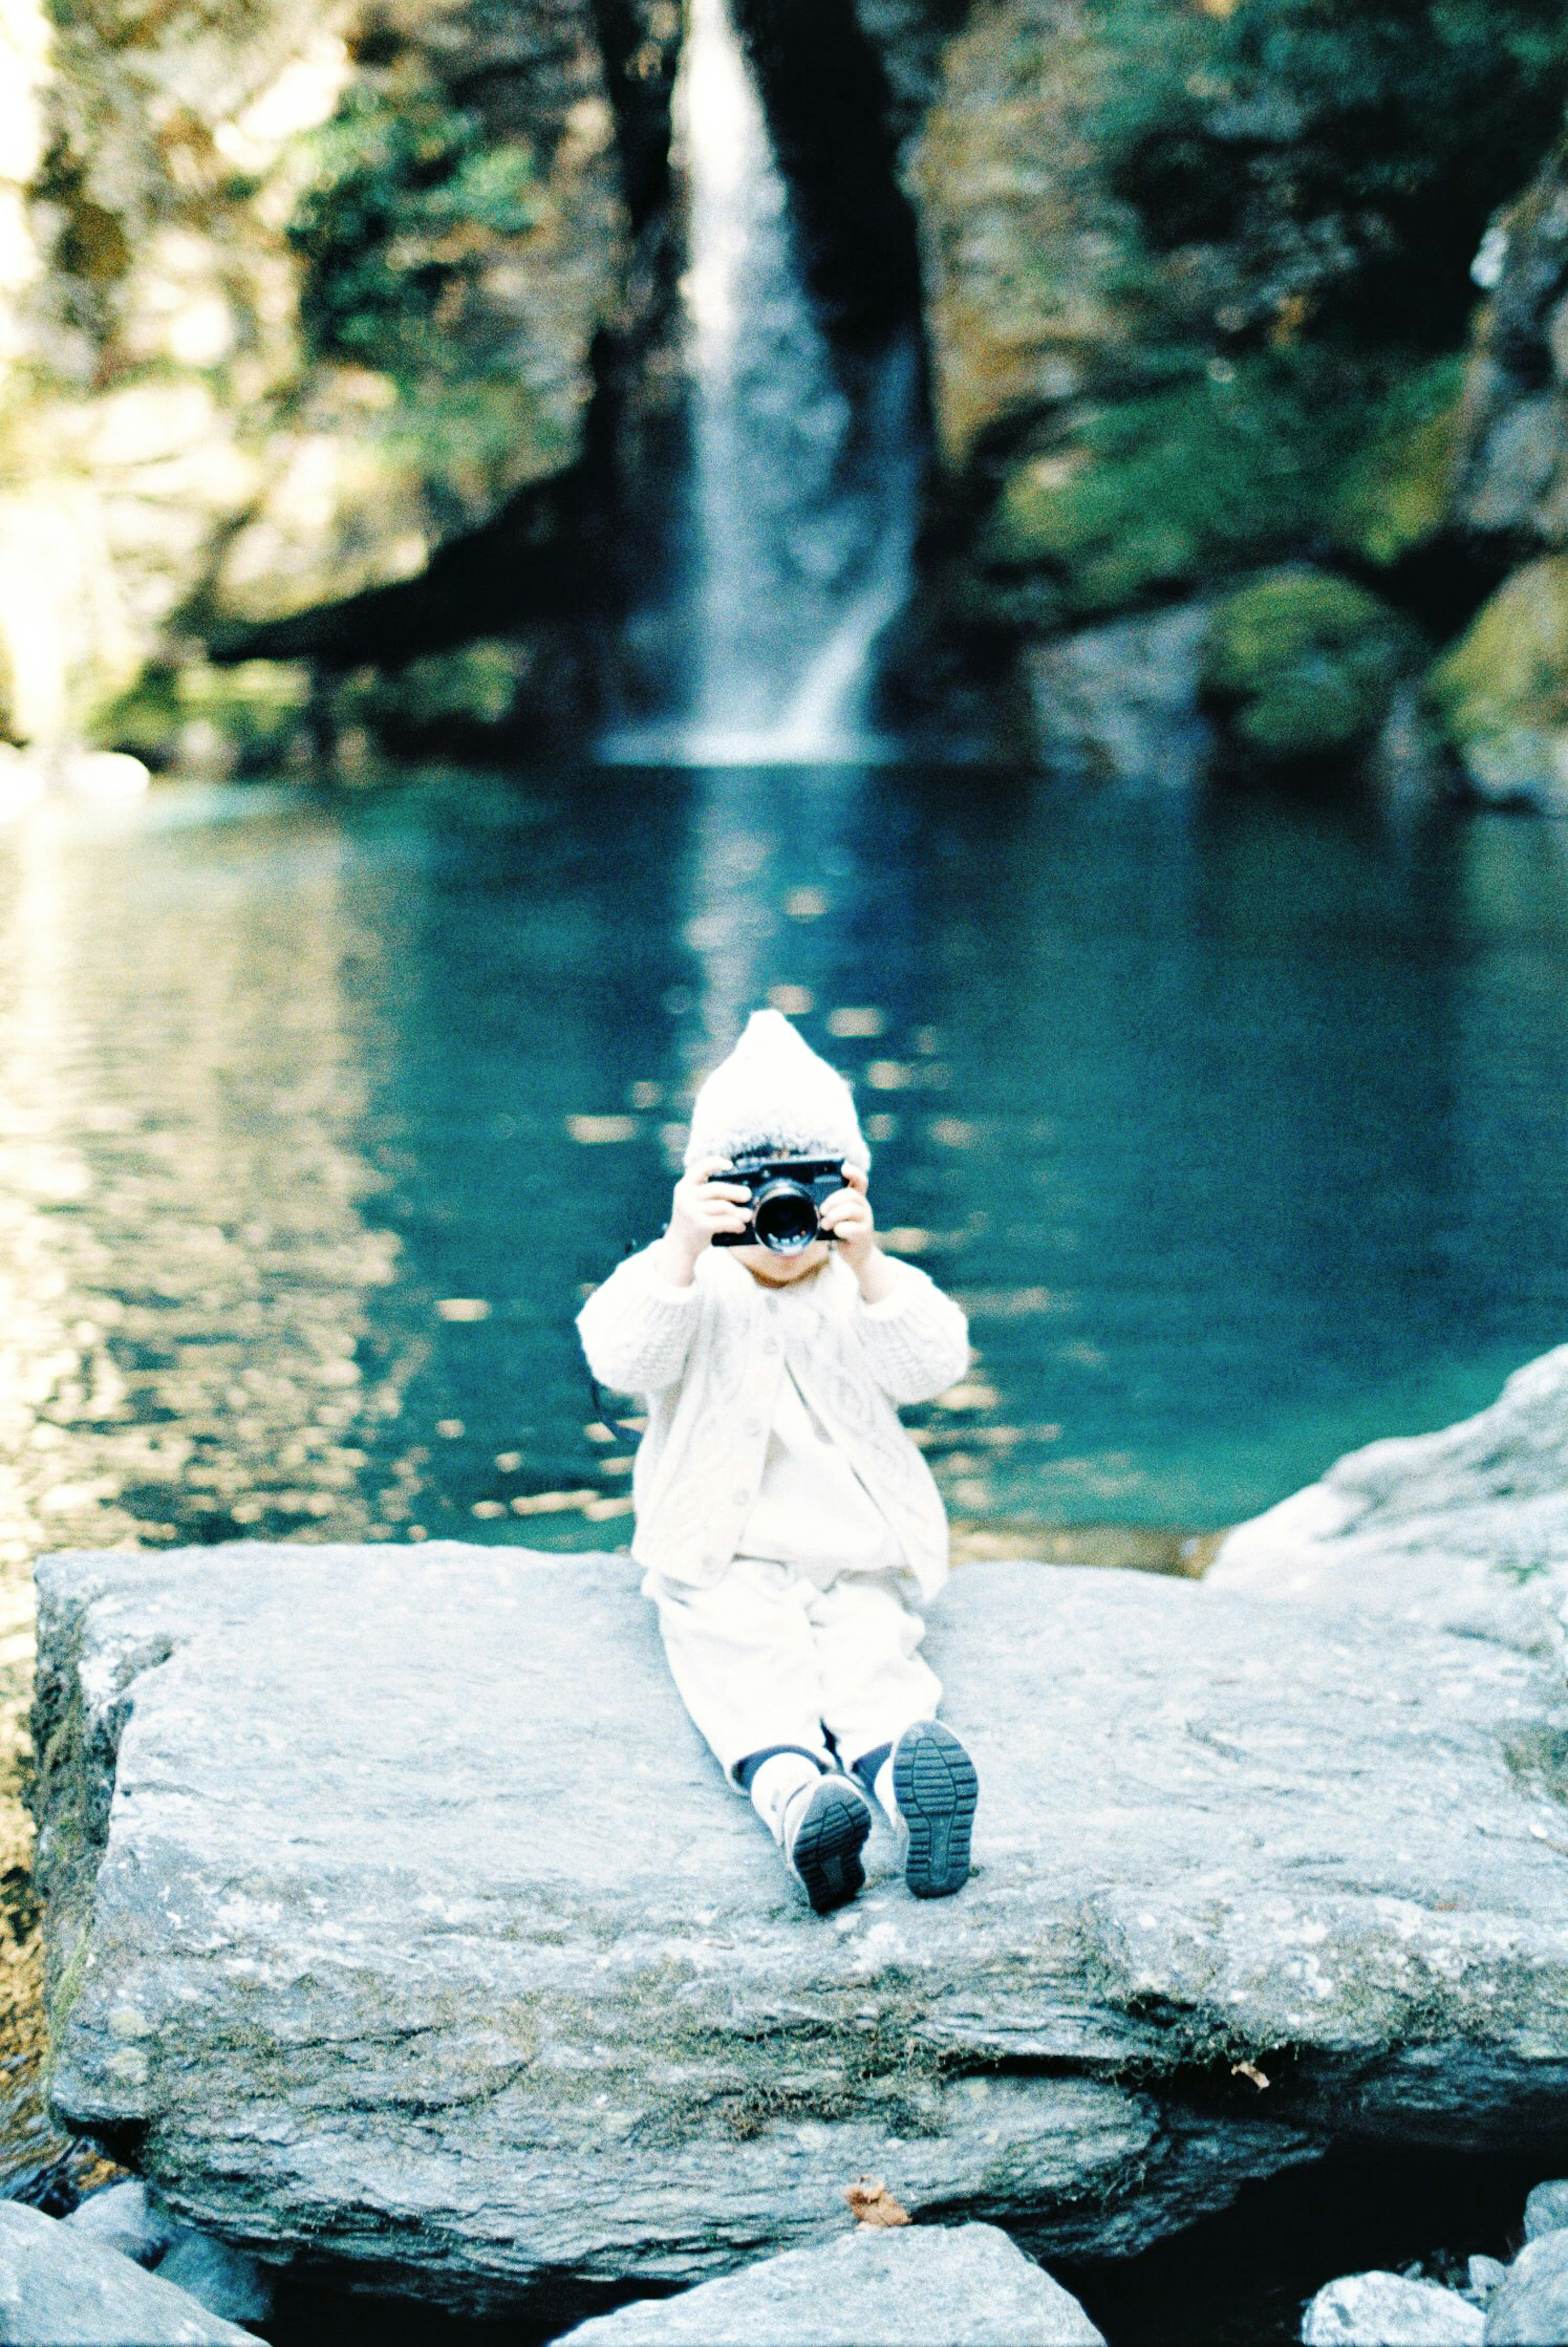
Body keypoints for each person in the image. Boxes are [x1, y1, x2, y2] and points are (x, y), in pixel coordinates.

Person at [576, 1009, 979, 1914]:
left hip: (857, 1550)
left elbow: (937, 1365)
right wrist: (681, 1248)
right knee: (748, 1673)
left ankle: (910, 1787)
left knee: (880, 1666)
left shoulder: (863, 1282)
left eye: (804, 1188)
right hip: (726, 1558)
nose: (779, 1219)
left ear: (852, 1185)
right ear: (706, 1188)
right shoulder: (683, 1279)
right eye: (756, 1191)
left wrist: (870, 1260)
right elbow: (618, 1359)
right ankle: (804, 1802)